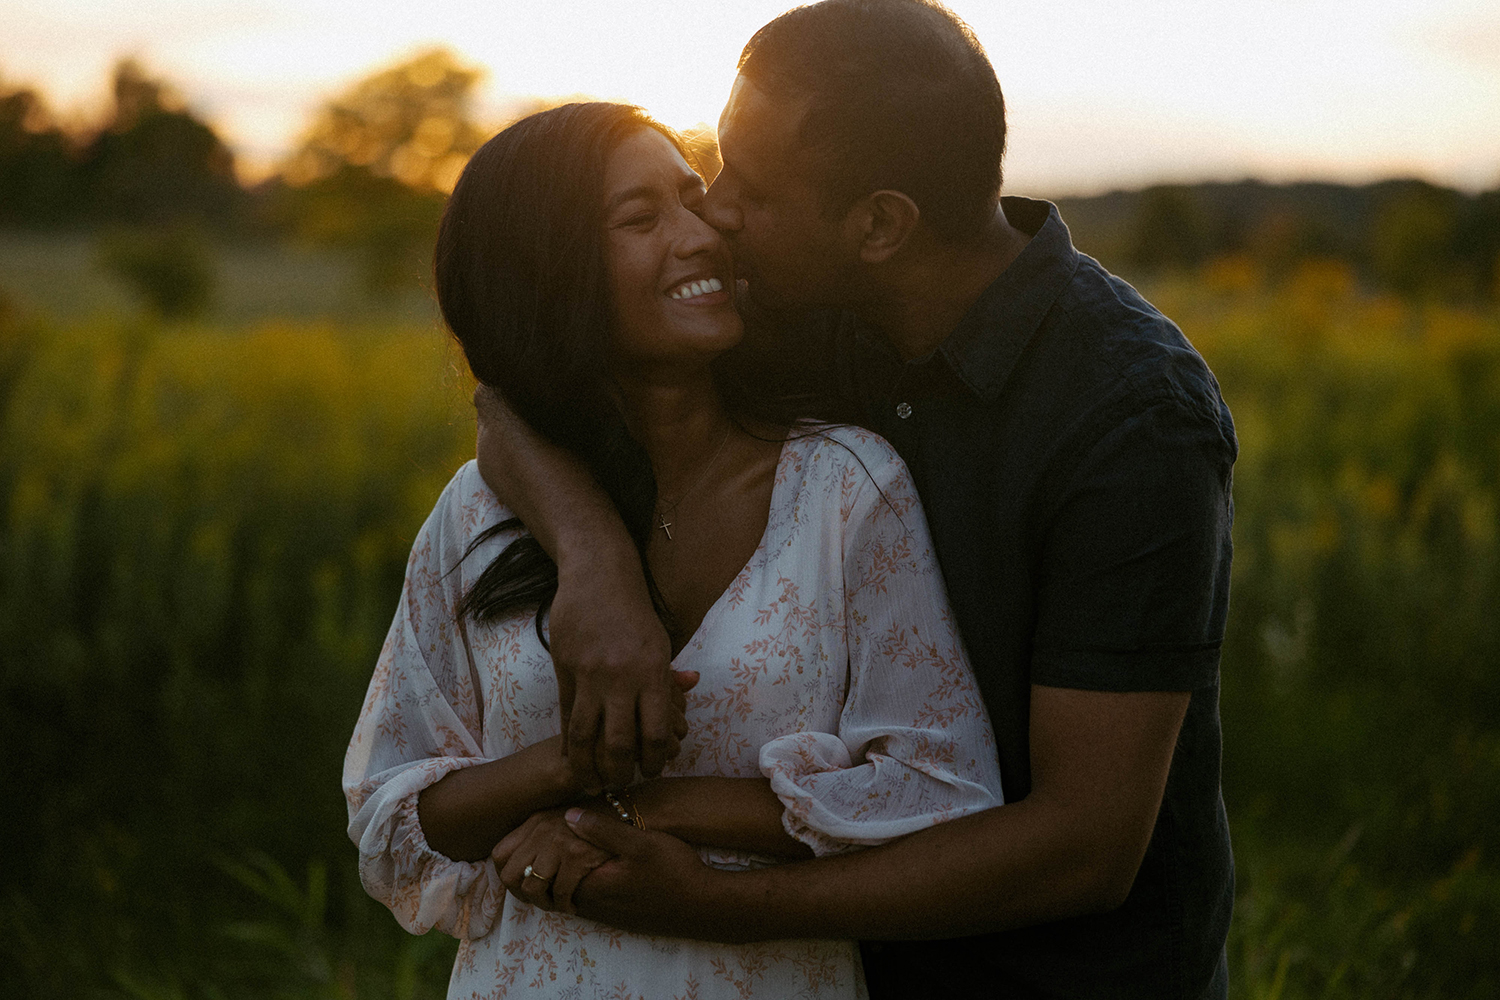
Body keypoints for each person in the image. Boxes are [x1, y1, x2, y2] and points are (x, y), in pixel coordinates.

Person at [475, 1, 1238, 998]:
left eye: (748, 185)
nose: (714, 207)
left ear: (881, 224)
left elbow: (1085, 845)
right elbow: (515, 397)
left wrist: (714, 903)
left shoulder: (1130, 418)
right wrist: (597, 564)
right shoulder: (803, 315)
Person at [342, 101, 1003, 999]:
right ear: (550, 271)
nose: (701, 236)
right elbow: (393, 818)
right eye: (642, 219)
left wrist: (619, 810)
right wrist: (569, 764)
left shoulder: (844, 486)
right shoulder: (480, 513)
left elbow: (938, 787)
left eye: (693, 202)